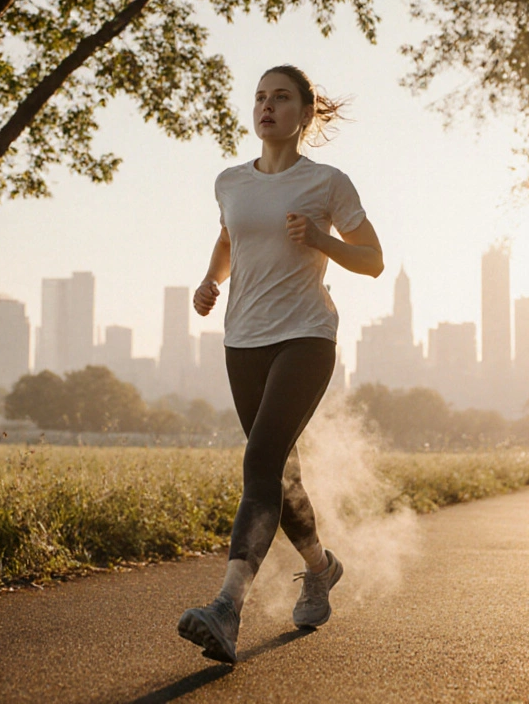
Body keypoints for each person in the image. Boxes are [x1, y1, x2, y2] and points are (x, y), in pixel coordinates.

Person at [177, 64, 384, 664]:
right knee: (279, 474)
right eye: (260, 97)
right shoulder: (230, 182)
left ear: (304, 112)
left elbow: (371, 260)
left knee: (259, 460)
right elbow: (228, 242)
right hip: (242, 339)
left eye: (281, 97)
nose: (266, 106)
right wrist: (209, 282)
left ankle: (226, 606)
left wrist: (322, 239)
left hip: (306, 337)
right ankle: (321, 568)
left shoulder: (327, 183)